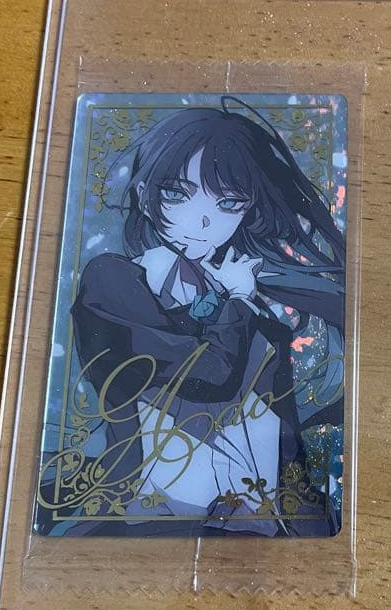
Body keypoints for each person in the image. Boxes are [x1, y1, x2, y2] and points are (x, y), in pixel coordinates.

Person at [44, 99, 344, 536]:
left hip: (257, 526)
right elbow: (207, 374)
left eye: (228, 203)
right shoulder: (113, 282)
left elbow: (284, 431)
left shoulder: (254, 305)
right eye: (177, 194)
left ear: (247, 211)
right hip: (147, 518)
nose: (202, 221)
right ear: (145, 198)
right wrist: (235, 302)